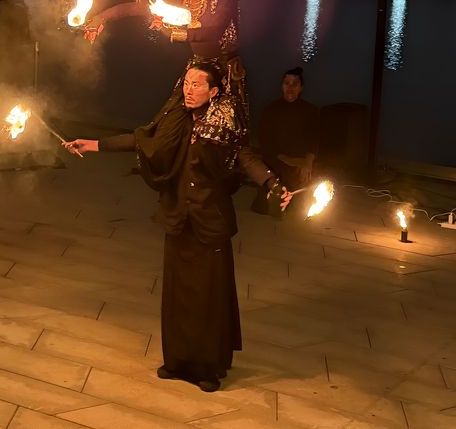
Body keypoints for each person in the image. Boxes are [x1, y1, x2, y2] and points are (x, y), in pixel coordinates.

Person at [63, 62, 293, 392]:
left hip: (209, 222)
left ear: (213, 92)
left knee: (208, 299)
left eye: (198, 85)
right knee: (178, 296)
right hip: (178, 219)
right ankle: (177, 361)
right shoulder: (174, 121)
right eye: (186, 83)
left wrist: (272, 184)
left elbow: (246, 157)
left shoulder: (224, 127)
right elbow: (140, 140)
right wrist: (95, 144)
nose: (189, 89)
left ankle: (208, 369)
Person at [87, 0, 247, 123]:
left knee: (219, 131)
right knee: (171, 126)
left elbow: (214, 30)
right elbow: (138, 8)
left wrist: (174, 33)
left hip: (223, 72)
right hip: (196, 69)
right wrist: (100, 18)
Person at [258, 66, 320, 191]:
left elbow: (314, 138)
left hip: (302, 161)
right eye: (287, 83)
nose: (290, 87)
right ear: (282, 86)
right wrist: (288, 160)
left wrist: (308, 162)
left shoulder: (310, 110)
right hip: (277, 161)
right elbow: (265, 142)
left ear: (301, 88)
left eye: (295, 84)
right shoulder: (270, 110)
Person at [0, 0, 33, 86]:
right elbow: (4, 25)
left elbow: (26, 24)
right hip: (7, 45)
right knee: (8, 74)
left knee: (20, 74)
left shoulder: (21, 5)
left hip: (20, 44)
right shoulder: (3, 6)